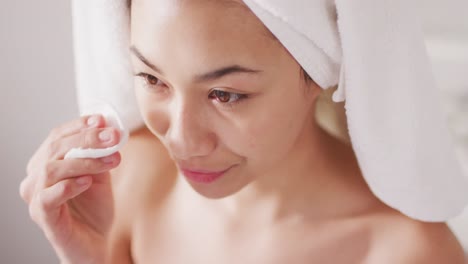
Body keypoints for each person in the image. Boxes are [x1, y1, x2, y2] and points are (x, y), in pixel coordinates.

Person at [20, 0, 466, 263]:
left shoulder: (406, 253)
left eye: (225, 94)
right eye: (153, 80)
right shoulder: (124, 187)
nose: (180, 139)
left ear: (318, 72)